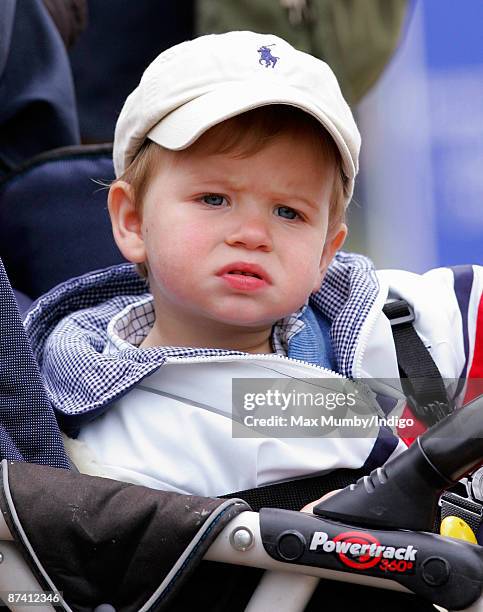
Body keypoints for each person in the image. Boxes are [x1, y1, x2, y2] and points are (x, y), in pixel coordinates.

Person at [25, 31, 482, 500]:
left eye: (289, 213)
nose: (252, 234)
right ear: (133, 220)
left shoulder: (383, 322)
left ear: (326, 251)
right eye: (214, 199)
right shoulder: (99, 437)